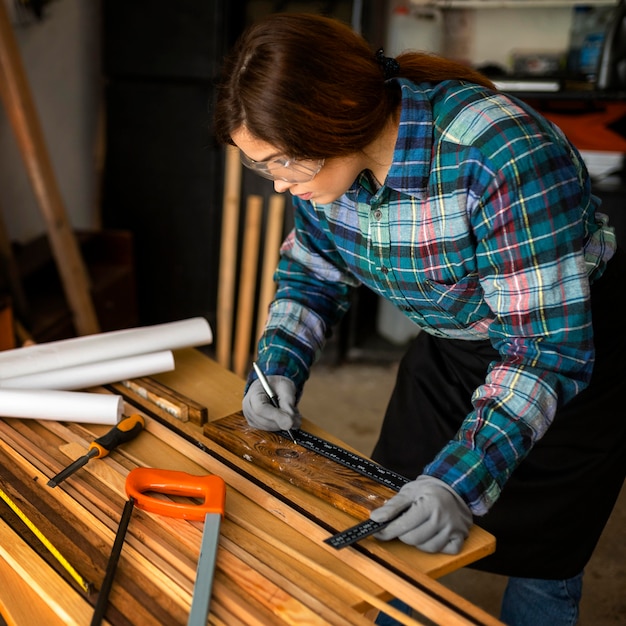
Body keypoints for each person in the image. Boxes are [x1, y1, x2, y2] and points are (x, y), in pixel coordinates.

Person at [213, 12, 626, 626]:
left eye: (282, 162)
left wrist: (458, 483)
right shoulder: (328, 178)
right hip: (453, 349)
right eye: (261, 166)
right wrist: (276, 368)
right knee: (393, 516)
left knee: (545, 554)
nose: (277, 186)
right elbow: (311, 273)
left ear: (336, 119)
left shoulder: (500, 155)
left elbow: (542, 350)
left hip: (568, 351)